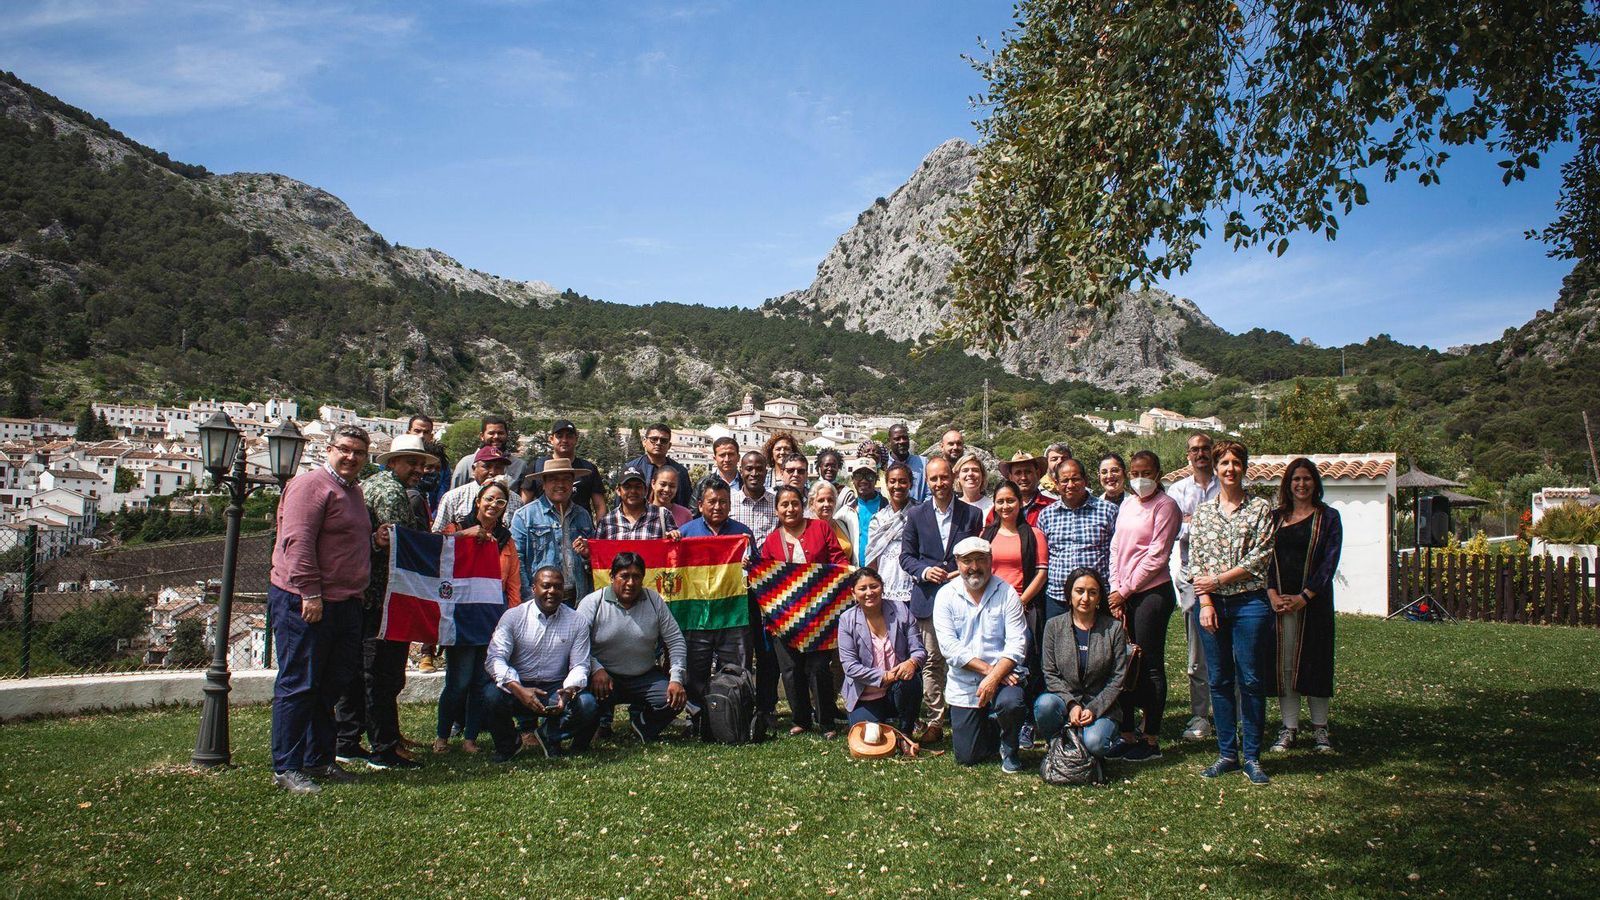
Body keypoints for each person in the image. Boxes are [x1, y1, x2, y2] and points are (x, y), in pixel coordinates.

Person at [268, 425, 373, 793]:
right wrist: (310, 593)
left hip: (345, 602)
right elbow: (297, 542)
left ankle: (319, 759)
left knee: (330, 685)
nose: (351, 457)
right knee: (299, 684)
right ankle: (287, 766)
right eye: (344, 449)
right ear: (329, 449)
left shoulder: (353, 490)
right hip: (307, 601)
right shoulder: (310, 485)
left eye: (359, 452)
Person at [334, 434, 433, 770]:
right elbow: (403, 543)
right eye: (412, 463)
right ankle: (384, 747)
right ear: (393, 462)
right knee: (382, 673)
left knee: (360, 672)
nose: (418, 469)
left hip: (366, 593)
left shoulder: (370, 485)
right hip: (384, 597)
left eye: (421, 464)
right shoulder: (391, 492)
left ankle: (347, 740)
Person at [1192, 440, 1278, 785]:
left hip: (1249, 604)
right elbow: (1195, 561)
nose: (1230, 469)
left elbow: (1260, 557)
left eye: (1236, 463)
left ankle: (1252, 755)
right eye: (1224, 463)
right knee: (1220, 679)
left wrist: (1218, 580)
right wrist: (1206, 601)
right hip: (1212, 605)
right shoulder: (1203, 513)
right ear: (1215, 468)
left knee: (1252, 679)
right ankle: (1227, 753)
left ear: (1244, 467)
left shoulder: (1260, 508)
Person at [899, 455, 982, 745]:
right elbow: (906, 556)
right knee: (933, 660)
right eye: (933, 478)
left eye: (944, 477)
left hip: (964, 597)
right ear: (927, 481)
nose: (939, 483)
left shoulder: (972, 515)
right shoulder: (916, 515)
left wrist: (963, 571)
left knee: (965, 656)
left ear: (953, 478)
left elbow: (980, 553)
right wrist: (924, 571)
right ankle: (935, 719)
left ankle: (966, 712)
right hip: (929, 597)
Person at [433, 480, 521, 755]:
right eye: (489, 499)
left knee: (481, 683)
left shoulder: (506, 540)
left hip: (492, 617)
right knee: (458, 682)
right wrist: (464, 536)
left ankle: (470, 738)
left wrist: (510, 620)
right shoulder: (457, 528)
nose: (494, 505)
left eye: (500, 501)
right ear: (478, 501)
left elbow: (513, 585)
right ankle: (441, 738)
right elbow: (436, 551)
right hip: (461, 615)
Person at [1107, 450, 1181, 762]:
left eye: (1146, 473)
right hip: (1123, 593)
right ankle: (1126, 733)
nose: (1140, 479)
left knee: (1148, 664)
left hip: (1151, 593)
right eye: (1135, 473)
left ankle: (1150, 738)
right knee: (1123, 662)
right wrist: (1115, 588)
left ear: (1158, 473)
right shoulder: (1127, 503)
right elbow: (1116, 547)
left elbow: (1157, 555)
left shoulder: (1166, 506)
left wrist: (1125, 590)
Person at [1266, 458, 1343, 754]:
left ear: (1315, 483)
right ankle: (1289, 728)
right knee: (1286, 666)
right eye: (1296, 479)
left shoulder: (1329, 518)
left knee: (1315, 663)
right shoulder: (1275, 518)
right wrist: (1273, 594)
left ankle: (1320, 729)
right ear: (1288, 484)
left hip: (1313, 604)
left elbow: (1329, 562)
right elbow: (1264, 559)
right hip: (1281, 605)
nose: (1301, 484)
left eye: (1306, 479)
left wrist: (1305, 596)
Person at [760, 484, 849, 738]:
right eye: (784, 505)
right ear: (776, 510)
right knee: (790, 669)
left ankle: (826, 720)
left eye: (794, 503)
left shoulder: (820, 528)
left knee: (819, 668)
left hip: (819, 615)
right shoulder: (771, 541)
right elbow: (765, 577)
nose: (790, 509)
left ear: (802, 505)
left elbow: (839, 561)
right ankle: (801, 718)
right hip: (784, 618)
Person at [573, 553, 689, 747]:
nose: (630, 583)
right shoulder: (593, 602)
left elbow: (676, 640)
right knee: (586, 704)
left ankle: (643, 726)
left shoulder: (654, 600)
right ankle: (592, 729)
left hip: (644, 677)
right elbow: (577, 644)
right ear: (612, 577)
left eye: (636, 577)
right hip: (604, 678)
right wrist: (596, 669)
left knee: (675, 699)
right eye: (624, 576)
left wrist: (676, 679)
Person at [482, 566, 598, 761]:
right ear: (533, 588)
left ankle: (548, 735)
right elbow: (495, 658)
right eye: (546, 586)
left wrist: (568, 691)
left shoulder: (577, 621)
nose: (552, 591)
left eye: (557, 587)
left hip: (555, 687)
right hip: (518, 685)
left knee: (587, 705)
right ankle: (508, 745)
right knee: (490, 695)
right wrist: (517, 688)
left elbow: (580, 664)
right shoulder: (513, 617)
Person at [935, 536, 1028, 771]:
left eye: (980, 559)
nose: (974, 567)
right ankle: (992, 726)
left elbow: (1017, 644)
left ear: (991, 560)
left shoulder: (1007, 593)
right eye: (967, 561)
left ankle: (1009, 746)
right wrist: (991, 672)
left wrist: (995, 677)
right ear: (957, 562)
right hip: (967, 683)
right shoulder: (945, 595)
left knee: (1011, 703)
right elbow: (949, 648)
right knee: (967, 756)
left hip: (1004, 680)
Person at [1033, 567, 1131, 766]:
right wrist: (1071, 704)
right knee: (1044, 705)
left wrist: (1094, 708)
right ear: (1069, 595)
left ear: (1099, 598)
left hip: (1101, 705)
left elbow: (1118, 677)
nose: (1085, 598)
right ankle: (1057, 745)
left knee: (1095, 743)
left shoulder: (1113, 628)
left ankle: (1082, 748)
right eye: (1079, 591)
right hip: (1064, 700)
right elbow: (1049, 673)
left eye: (1092, 592)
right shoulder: (1053, 626)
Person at [678, 477, 754, 725]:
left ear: (730, 505)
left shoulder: (742, 534)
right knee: (695, 672)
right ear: (700, 504)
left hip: (732, 615)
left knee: (734, 670)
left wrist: (749, 564)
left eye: (723, 502)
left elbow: (756, 573)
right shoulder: (685, 533)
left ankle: (733, 716)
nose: (718, 506)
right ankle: (697, 719)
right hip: (697, 616)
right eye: (712, 501)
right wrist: (672, 544)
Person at [982, 479, 1049, 747]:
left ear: (1020, 503)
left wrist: (1020, 600)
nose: (1005, 506)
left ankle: (1026, 722)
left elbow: (1041, 572)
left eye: (1010, 500)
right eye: (1000, 501)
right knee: (994, 659)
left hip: (1024, 607)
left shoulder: (1033, 534)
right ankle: (995, 715)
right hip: (990, 607)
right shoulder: (987, 534)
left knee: (1026, 663)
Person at [1168, 432, 1220, 742]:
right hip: (1191, 577)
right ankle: (1201, 715)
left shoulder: (1226, 484)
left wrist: (1193, 521)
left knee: (1230, 649)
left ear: (1212, 452)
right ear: (1188, 455)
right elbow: (1174, 529)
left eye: (1205, 448)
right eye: (1195, 450)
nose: (1200, 454)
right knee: (1197, 652)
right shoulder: (1178, 490)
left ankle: (1233, 714)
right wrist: (1207, 522)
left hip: (1226, 576)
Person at [836, 567, 925, 734]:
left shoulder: (901, 610)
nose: (869, 592)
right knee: (870, 737)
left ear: (882, 587)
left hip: (899, 686)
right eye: (862, 588)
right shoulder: (846, 620)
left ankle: (906, 731)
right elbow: (850, 666)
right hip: (865, 693)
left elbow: (919, 649)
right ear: (853, 593)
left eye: (874, 586)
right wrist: (884, 676)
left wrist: (912, 662)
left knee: (911, 681)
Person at [729, 451, 780, 725]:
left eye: (759, 468)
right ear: (741, 470)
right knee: (742, 648)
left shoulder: (776, 502)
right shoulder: (730, 501)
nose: (754, 473)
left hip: (770, 586)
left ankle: (767, 707)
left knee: (768, 650)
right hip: (737, 587)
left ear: (766, 471)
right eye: (748, 468)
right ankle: (742, 703)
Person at [1037, 458, 1118, 623]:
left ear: (1085, 480)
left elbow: (1119, 555)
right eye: (1064, 480)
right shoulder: (1046, 515)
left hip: (1097, 597)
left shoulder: (1108, 511)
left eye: (1075, 479)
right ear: (1056, 483)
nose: (1070, 485)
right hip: (1058, 598)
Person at [509, 458, 595, 607]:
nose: (560, 484)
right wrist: (529, 598)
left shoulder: (583, 515)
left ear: (572, 483)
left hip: (577, 599)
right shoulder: (525, 516)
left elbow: (592, 559)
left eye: (566, 479)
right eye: (554, 479)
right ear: (544, 484)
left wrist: (587, 555)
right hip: (540, 600)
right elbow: (517, 560)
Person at [522, 419, 607, 519]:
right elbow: (524, 503)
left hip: (580, 525)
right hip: (542, 525)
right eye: (559, 436)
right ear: (551, 439)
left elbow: (599, 506)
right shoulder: (537, 466)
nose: (564, 440)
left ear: (576, 439)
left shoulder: (588, 468)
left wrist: (599, 528)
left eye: (569, 436)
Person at [863, 462, 916, 605]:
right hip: (885, 587)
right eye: (892, 481)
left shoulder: (920, 513)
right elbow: (872, 558)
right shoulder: (878, 519)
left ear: (910, 484)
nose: (897, 486)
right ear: (886, 484)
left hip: (914, 586)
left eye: (902, 481)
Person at [435, 446, 521, 531]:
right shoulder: (453, 497)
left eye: (498, 467)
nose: (493, 472)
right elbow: (438, 534)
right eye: (487, 466)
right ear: (474, 469)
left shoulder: (515, 500)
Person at [596, 466, 680, 540]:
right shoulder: (607, 521)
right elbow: (598, 551)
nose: (633, 491)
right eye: (627, 487)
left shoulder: (663, 515)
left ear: (646, 490)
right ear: (618, 490)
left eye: (638, 487)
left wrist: (673, 537)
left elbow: (673, 548)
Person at [625, 422, 691, 509]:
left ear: (669, 445)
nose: (658, 443)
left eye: (663, 440)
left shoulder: (680, 472)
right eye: (654, 439)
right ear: (644, 442)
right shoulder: (631, 468)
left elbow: (685, 503)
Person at [450, 415, 525, 489]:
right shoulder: (466, 463)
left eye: (500, 433)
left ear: (507, 435)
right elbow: (455, 492)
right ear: (482, 436)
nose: (496, 436)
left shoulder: (519, 466)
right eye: (491, 433)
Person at [837, 457, 885, 566]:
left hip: (883, 570)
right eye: (858, 476)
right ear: (852, 479)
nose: (864, 480)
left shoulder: (888, 509)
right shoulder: (844, 513)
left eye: (869, 476)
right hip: (857, 571)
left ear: (876, 479)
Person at [994, 451, 1055, 525]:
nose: (1023, 477)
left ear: (1037, 474)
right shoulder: (999, 509)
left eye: (1028, 472)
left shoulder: (1053, 507)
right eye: (1018, 473)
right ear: (1010, 477)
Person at [408, 414, 450, 515]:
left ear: (431, 436)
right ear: (408, 433)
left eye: (426, 432)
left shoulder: (443, 466)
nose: (421, 436)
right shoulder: (394, 463)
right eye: (417, 431)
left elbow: (442, 497)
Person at [809, 480, 853, 563]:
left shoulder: (842, 525)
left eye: (830, 500)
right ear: (812, 503)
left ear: (835, 502)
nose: (826, 504)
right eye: (821, 500)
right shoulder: (805, 528)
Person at [886, 424, 929, 503]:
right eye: (897, 439)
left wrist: (921, 509)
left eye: (905, 438)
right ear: (889, 441)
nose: (902, 441)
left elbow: (930, 493)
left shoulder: (923, 463)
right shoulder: (883, 465)